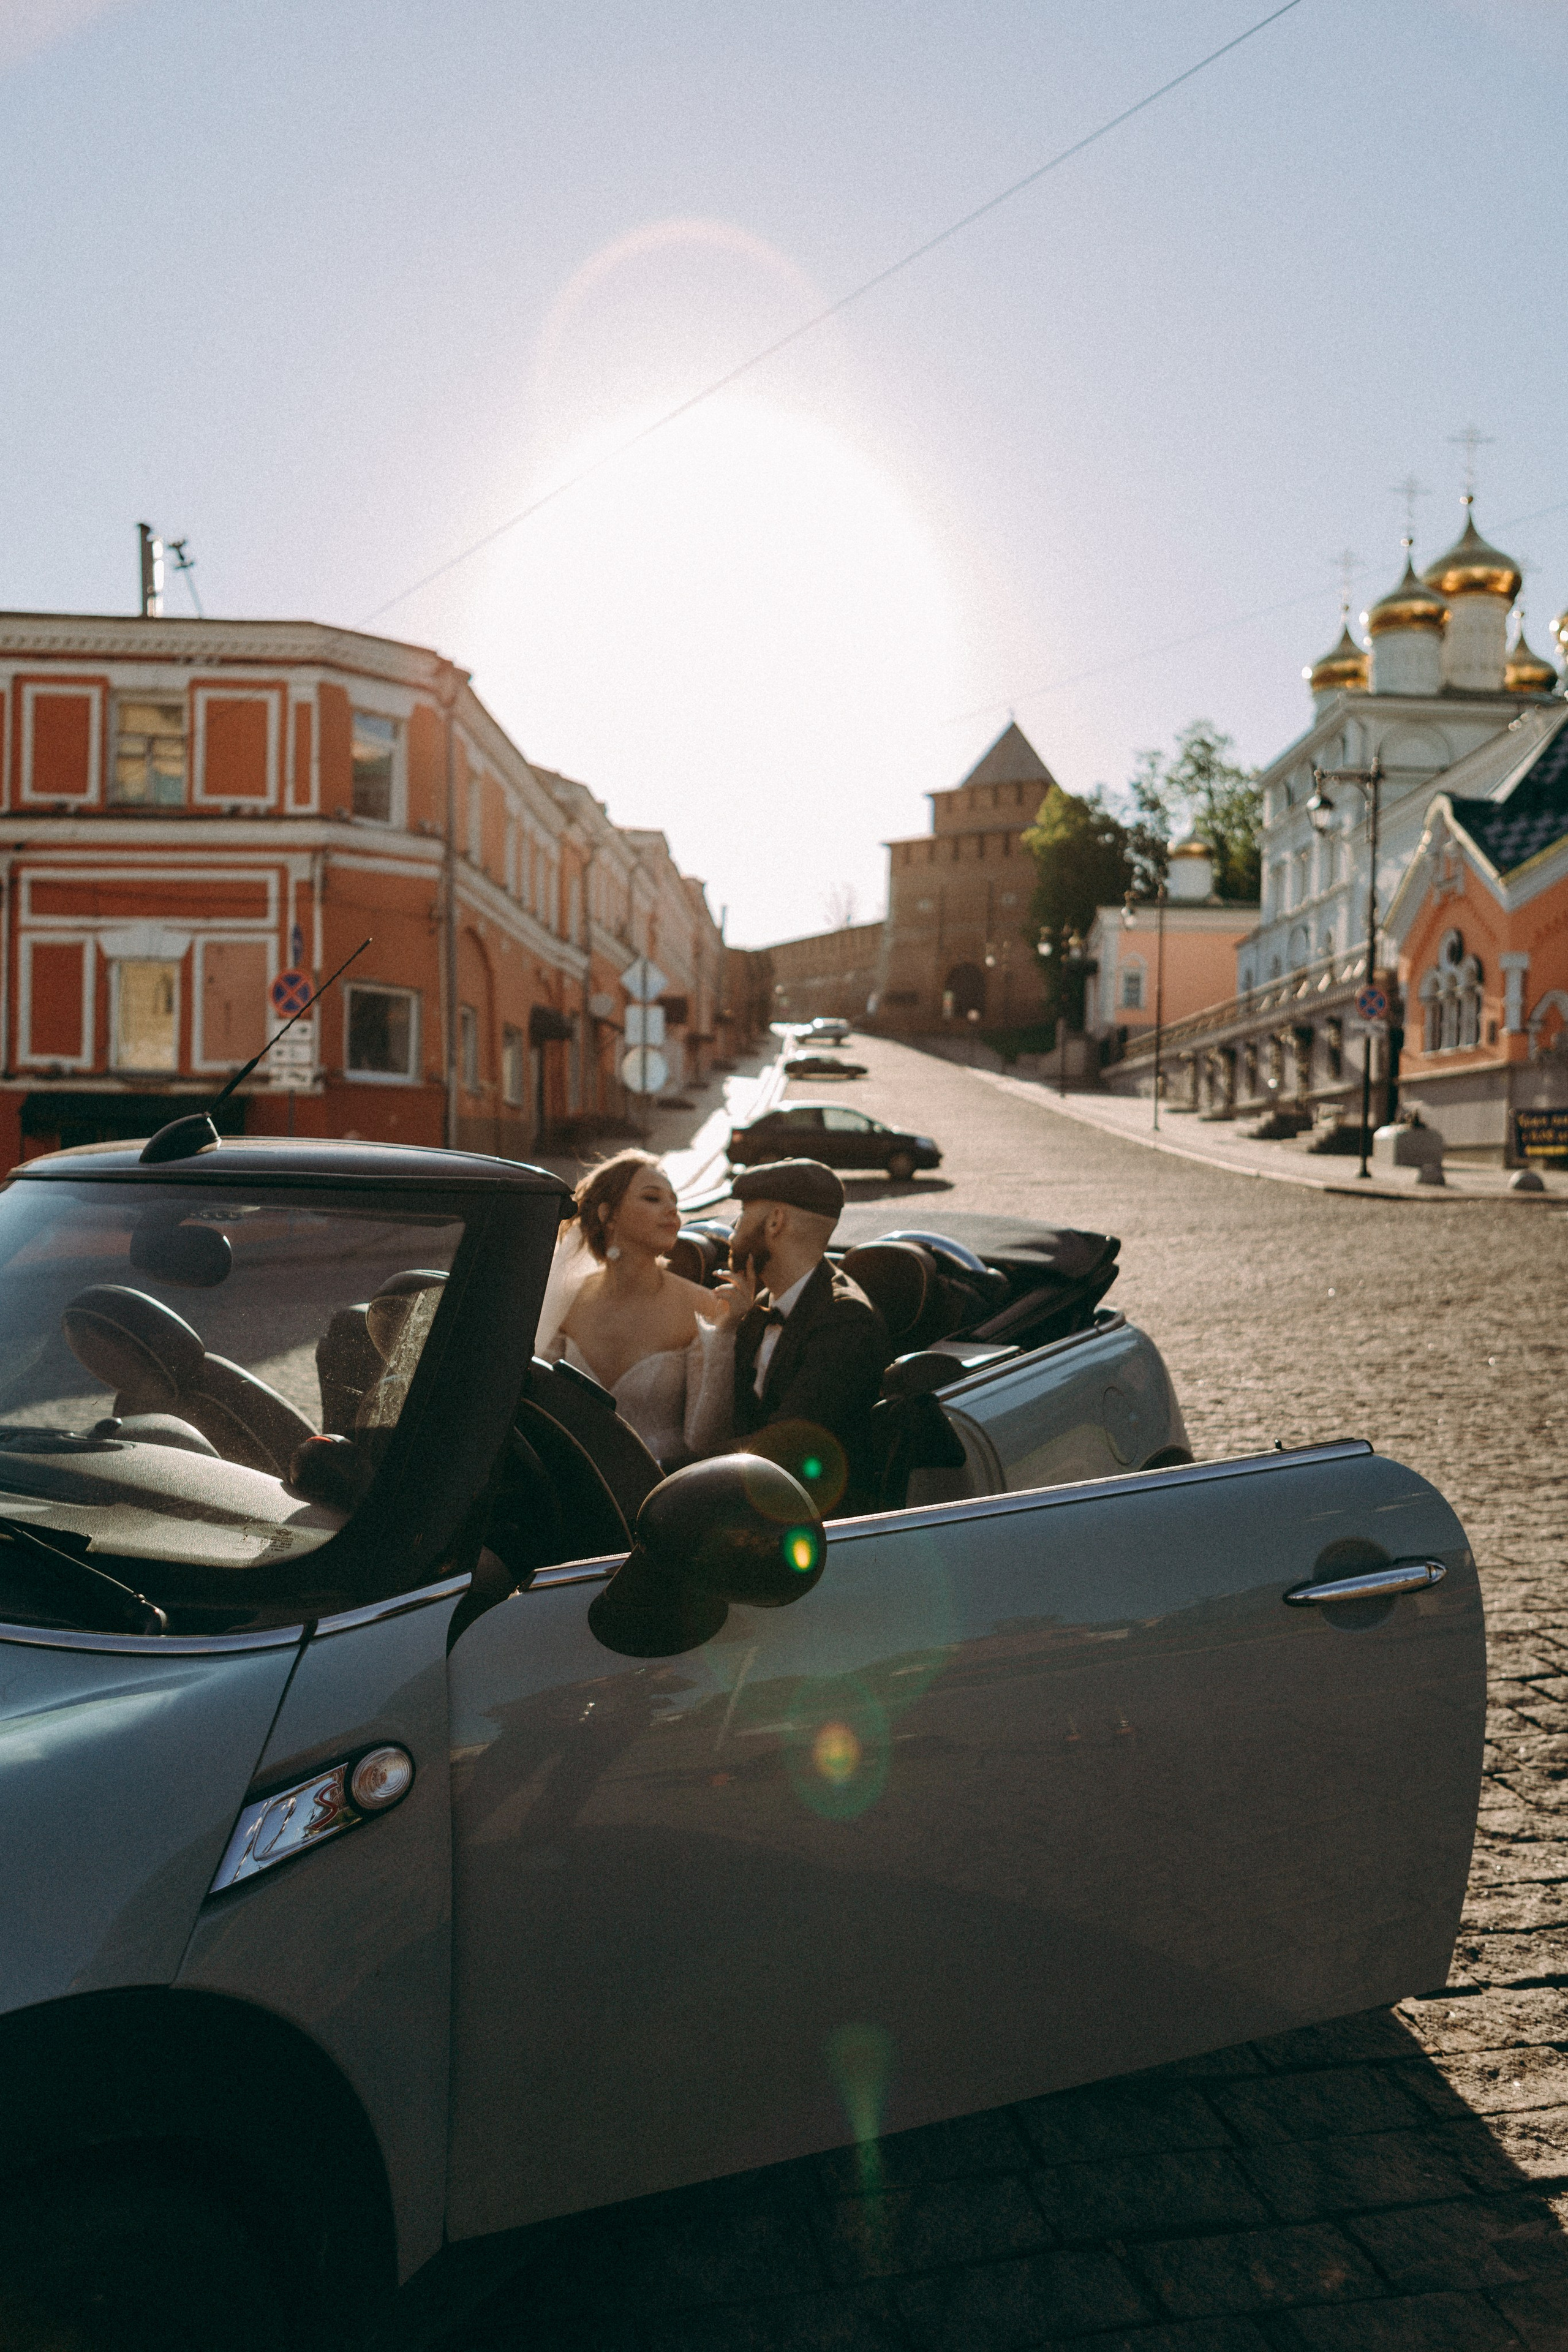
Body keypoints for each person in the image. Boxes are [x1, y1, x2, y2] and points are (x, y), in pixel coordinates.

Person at [537, 1151, 755, 1468]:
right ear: (608, 1214)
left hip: (659, 1486)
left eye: (675, 1203)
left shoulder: (705, 1306)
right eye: (652, 1198)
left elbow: (706, 1441)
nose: (672, 1211)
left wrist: (724, 1334)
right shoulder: (567, 1302)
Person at [728, 1159, 892, 1516]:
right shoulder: (760, 1305)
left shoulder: (846, 1321)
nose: (732, 1228)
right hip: (759, 1505)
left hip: (818, 1526)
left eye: (742, 1213)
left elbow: (783, 1446)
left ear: (775, 1222)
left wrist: (667, 1470)